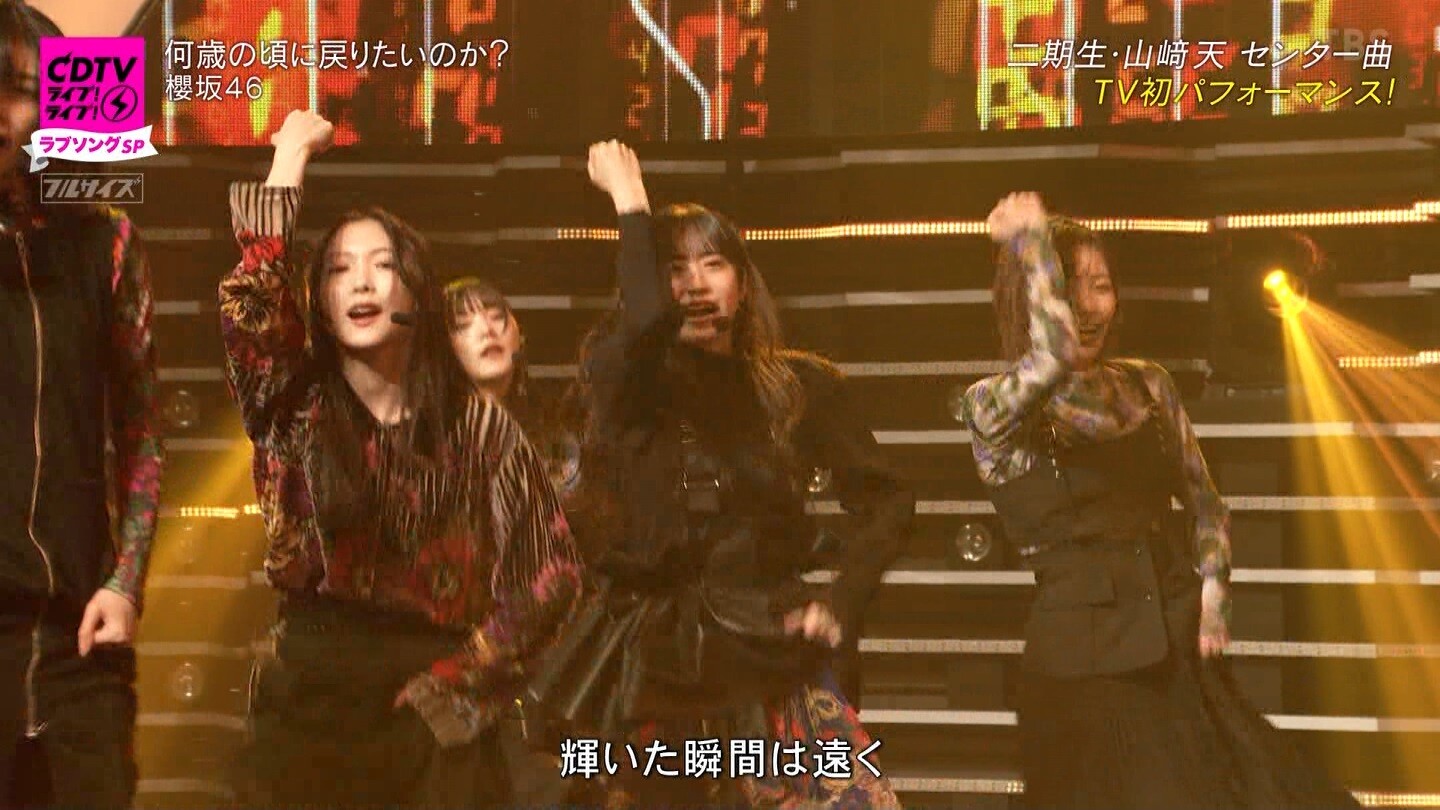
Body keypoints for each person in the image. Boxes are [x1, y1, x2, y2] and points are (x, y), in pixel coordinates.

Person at [526, 140, 912, 807]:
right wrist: (629, 200)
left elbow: (888, 501)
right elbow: (647, 323)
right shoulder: (624, 381)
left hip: (768, 647)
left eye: (713, 264)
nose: (695, 285)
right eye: (672, 268)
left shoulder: (798, 386)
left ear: (743, 280)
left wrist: (840, 599)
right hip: (655, 663)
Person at [220, 109, 582, 809]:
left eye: (383, 266)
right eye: (339, 270)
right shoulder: (294, 406)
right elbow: (252, 311)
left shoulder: (477, 427)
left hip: (430, 716)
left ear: (417, 292)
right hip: (307, 706)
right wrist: (290, 156)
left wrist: (462, 679)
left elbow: (551, 574)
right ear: (319, 301)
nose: (361, 283)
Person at [960, 192, 1362, 809]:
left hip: (1178, 654)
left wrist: (1214, 592)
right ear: (1031, 296)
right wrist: (1032, 240)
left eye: (1101, 286)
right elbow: (1054, 355)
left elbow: (1206, 502)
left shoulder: (1148, 385)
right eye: (1069, 287)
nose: (1089, 306)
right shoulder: (991, 404)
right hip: (1085, 676)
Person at [0, 4, 164, 808]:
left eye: (19, 89)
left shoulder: (108, 241)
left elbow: (141, 431)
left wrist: (125, 581)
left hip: (79, 633)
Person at [444, 275, 586, 806]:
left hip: (560, 669)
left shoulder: (561, 431)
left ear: (518, 332)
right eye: (463, 323)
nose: (485, 328)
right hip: (471, 664)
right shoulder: (431, 442)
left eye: (495, 315)